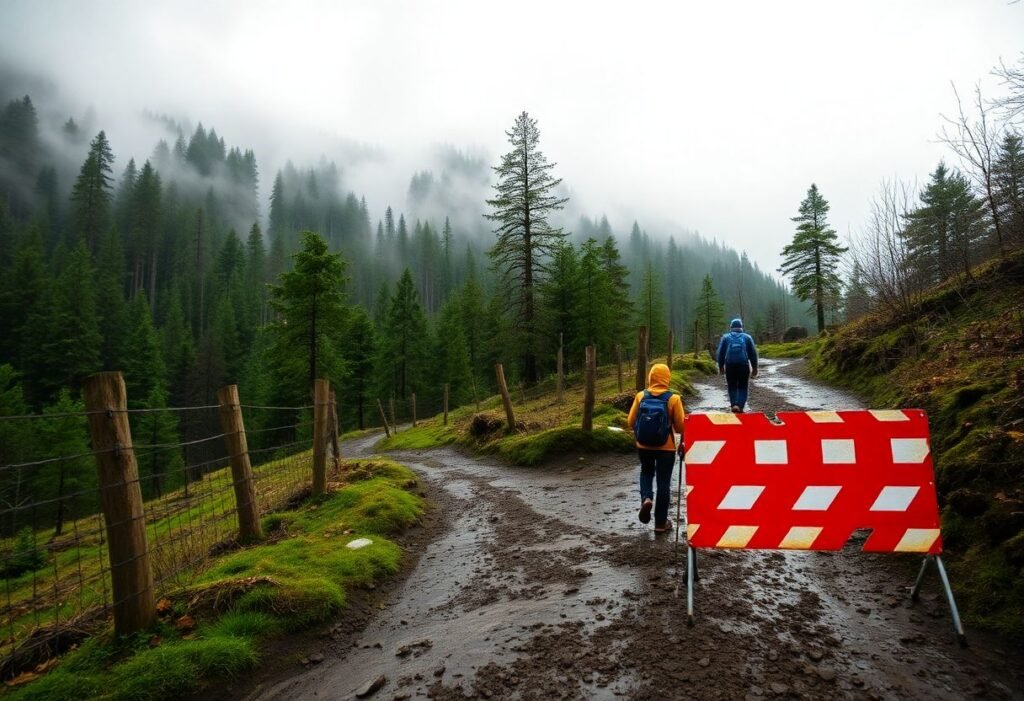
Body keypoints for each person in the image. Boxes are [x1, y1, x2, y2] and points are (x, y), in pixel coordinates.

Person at [626, 363, 686, 533]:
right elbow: (681, 428)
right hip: (666, 448)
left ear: (650, 377)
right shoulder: (673, 398)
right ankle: (660, 523)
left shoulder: (641, 396)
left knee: (646, 472)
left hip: (643, 446)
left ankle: (646, 498)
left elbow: (630, 422)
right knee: (663, 483)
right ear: (667, 378)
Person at [717, 318, 758, 413]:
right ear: (741, 327)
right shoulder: (747, 337)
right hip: (743, 365)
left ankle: (734, 404)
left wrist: (721, 367)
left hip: (730, 365)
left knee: (732, 385)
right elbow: (753, 354)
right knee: (743, 386)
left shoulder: (726, 337)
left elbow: (721, 354)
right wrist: (755, 368)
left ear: (731, 327)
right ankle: (740, 405)